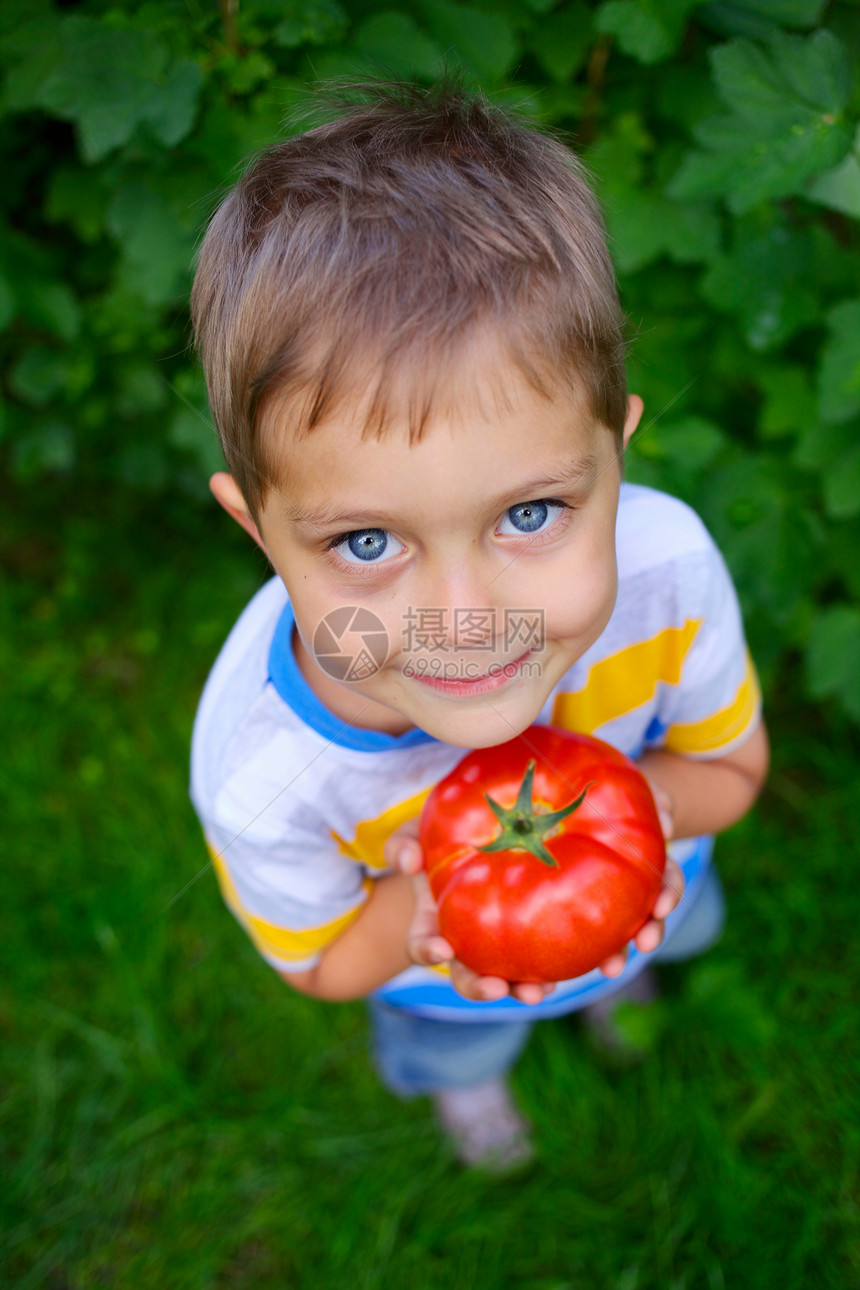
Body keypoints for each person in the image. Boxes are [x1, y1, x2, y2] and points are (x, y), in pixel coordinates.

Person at [189, 82, 769, 1172]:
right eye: (367, 543)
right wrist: (432, 907)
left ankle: (623, 982)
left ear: (614, 456)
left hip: (657, 880)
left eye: (530, 513)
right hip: (437, 987)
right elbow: (317, 962)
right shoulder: (262, 773)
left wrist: (632, 833)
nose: (464, 623)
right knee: (458, 1039)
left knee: (663, 930)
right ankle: (474, 1094)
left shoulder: (667, 575)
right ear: (259, 530)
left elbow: (730, 770)